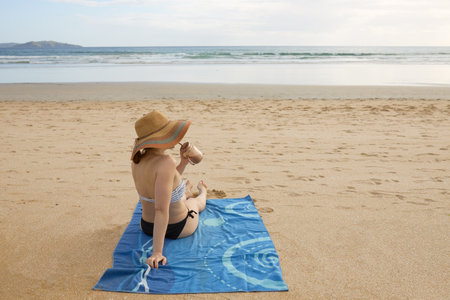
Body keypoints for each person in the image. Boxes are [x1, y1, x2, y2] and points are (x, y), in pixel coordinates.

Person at [130, 110, 207, 269]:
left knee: (178, 193)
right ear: (162, 138)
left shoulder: (137, 161)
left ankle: (183, 190)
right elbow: (160, 209)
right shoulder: (166, 162)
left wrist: (183, 162)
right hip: (178, 227)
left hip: (146, 226)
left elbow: (163, 184)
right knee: (194, 202)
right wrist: (157, 252)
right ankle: (202, 191)